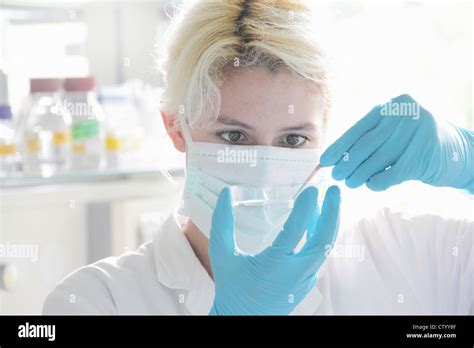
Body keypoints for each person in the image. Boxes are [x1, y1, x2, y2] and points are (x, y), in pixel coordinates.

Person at [43, 0, 473, 315]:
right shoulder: (97, 300)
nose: (264, 169)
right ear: (176, 127)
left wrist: (466, 160)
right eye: (233, 135)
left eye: (292, 141)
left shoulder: (413, 255)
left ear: (324, 132)